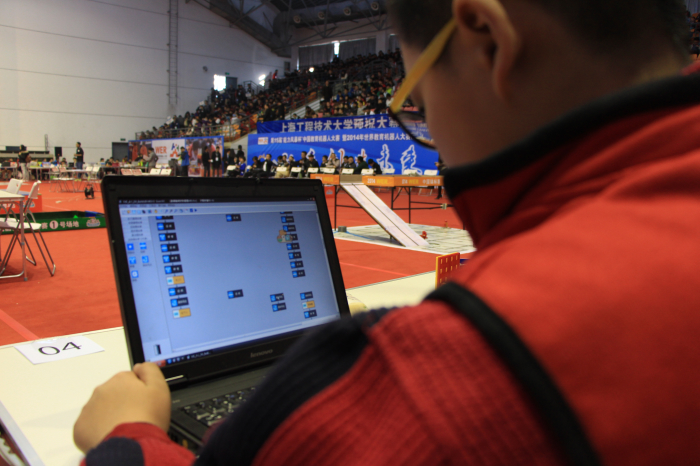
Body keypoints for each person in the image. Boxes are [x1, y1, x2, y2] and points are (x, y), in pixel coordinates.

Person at [74, 0, 700, 465]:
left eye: (417, 98)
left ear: (487, 40)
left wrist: (127, 437)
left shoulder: (462, 372)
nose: (431, 133)